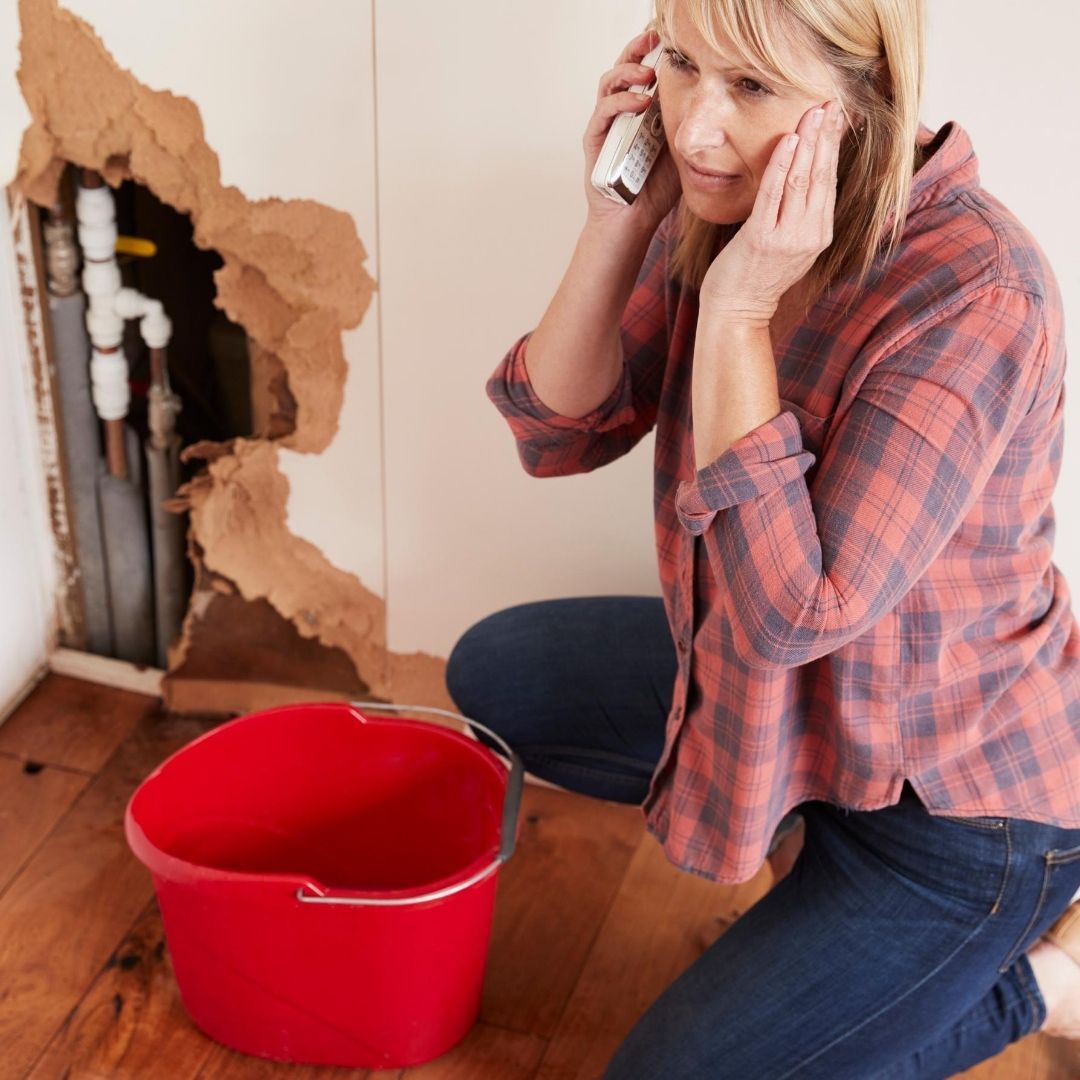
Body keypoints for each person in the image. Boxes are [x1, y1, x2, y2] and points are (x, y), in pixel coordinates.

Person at [446, 0, 1080, 1074]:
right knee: (502, 670)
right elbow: (556, 433)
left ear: (863, 97)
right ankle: (809, 861)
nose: (695, 129)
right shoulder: (719, 204)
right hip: (800, 728)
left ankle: (1050, 981)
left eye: (751, 88)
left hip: (952, 813)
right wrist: (616, 222)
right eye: (685, 66)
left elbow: (797, 616)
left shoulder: (978, 291)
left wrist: (739, 316)